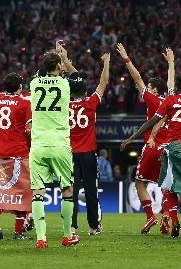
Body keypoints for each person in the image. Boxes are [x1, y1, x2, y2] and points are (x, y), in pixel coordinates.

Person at [122, 71, 181, 241]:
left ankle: (174, 221)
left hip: (172, 147)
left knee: (170, 187)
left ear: (178, 88)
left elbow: (151, 122)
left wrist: (131, 138)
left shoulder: (170, 100)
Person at [27, 41, 86, 249]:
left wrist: (51, 58)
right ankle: (67, 235)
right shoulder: (65, 83)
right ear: (59, 66)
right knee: (67, 189)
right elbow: (80, 79)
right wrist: (66, 60)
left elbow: (39, 73)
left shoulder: (34, 84)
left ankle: (41, 238)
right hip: (60, 143)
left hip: (38, 145)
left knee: (38, 192)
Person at [116, 43, 173, 234]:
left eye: (149, 87)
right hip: (168, 149)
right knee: (166, 186)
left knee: (140, 182)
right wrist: (172, 64)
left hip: (152, 145)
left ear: (154, 90)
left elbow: (137, 78)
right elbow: (171, 83)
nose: (146, 89)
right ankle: (166, 218)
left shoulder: (152, 99)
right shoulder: (170, 101)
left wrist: (126, 58)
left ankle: (150, 216)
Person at [0, 72, 32, 240]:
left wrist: (0, 127)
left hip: (0, 153)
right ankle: (18, 232)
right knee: (23, 192)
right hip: (18, 153)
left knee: (3, 188)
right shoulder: (24, 103)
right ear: (20, 87)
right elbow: (29, 129)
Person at [69, 53, 110, 236]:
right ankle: (94, 226)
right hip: (88, 154)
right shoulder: (91, 102)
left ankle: (72, 227)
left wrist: (64, 61)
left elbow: (75, 79)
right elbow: (103, 83)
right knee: (91, 191)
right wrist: (106, 63)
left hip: (69, 154)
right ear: (85, 92)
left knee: (72, 191)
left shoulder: (64, 105)